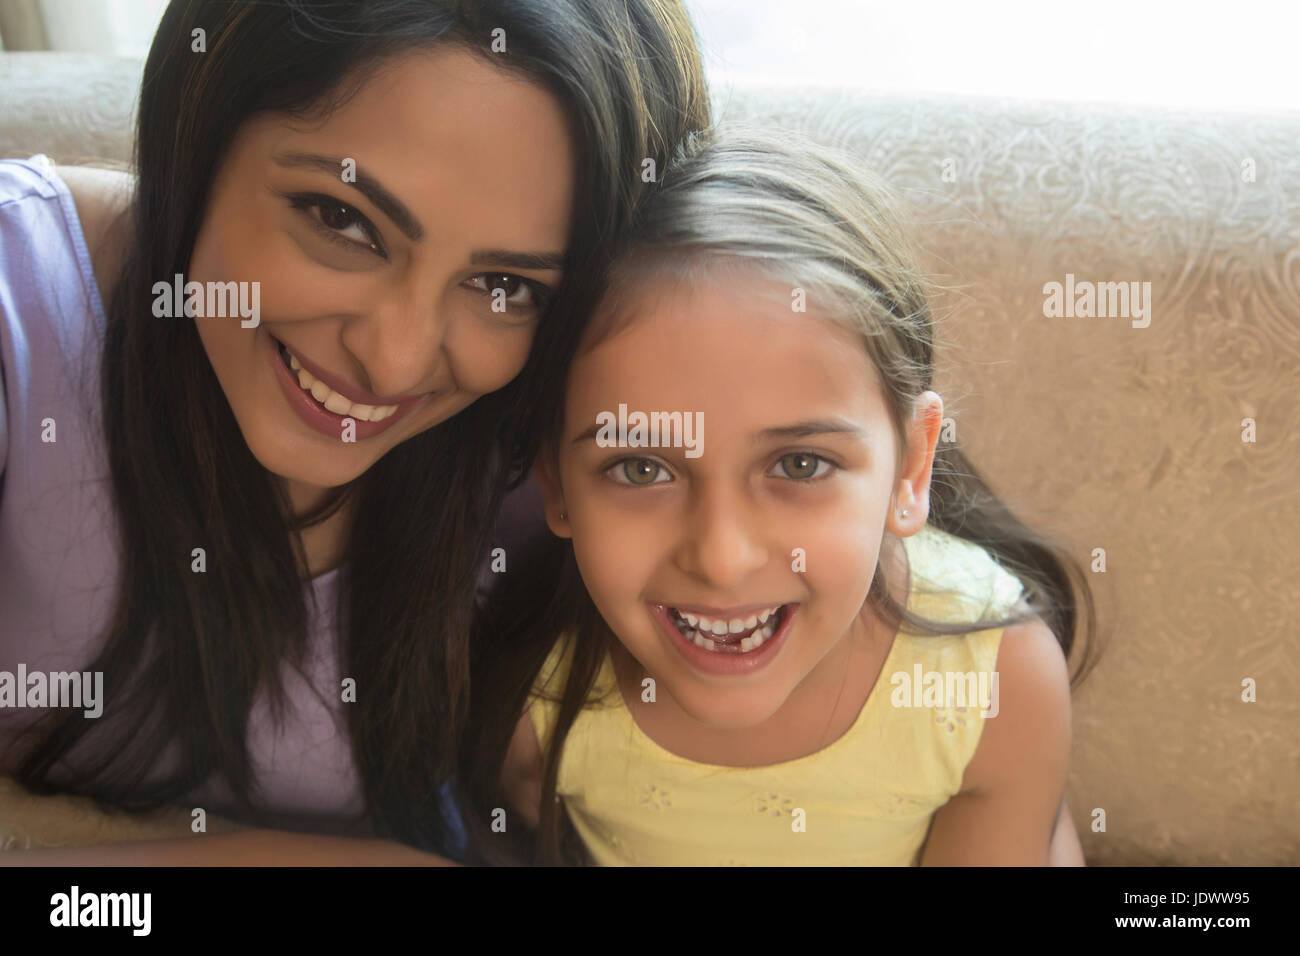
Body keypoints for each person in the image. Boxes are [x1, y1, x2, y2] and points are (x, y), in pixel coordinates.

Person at [0, 0, 710, 863]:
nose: (396, 361)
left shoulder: (574, 446)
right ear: (201, 128)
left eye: (504, 286)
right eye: (342, 221)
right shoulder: (17, 308)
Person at [461, 126, 1097, 865]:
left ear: (911, 470)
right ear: (557, 484)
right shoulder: (530, 701)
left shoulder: (995, 684)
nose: (723, 558)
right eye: (641, 469)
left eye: (799, 465)